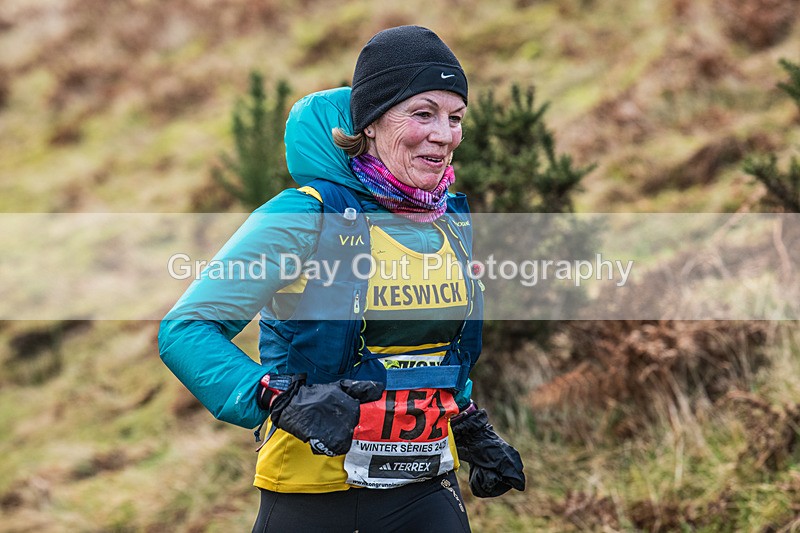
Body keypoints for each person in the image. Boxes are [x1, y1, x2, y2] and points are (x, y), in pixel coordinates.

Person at [159, 25, 524, 533]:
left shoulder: (447, 223)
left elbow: (432, 354)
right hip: (313, 498)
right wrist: (277, 395)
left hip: (424, 490)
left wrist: (466, 423)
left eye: (455, 117)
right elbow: (186, 330)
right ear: (370, 123)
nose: (444, 134)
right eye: (423, 113)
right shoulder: (303, 217)